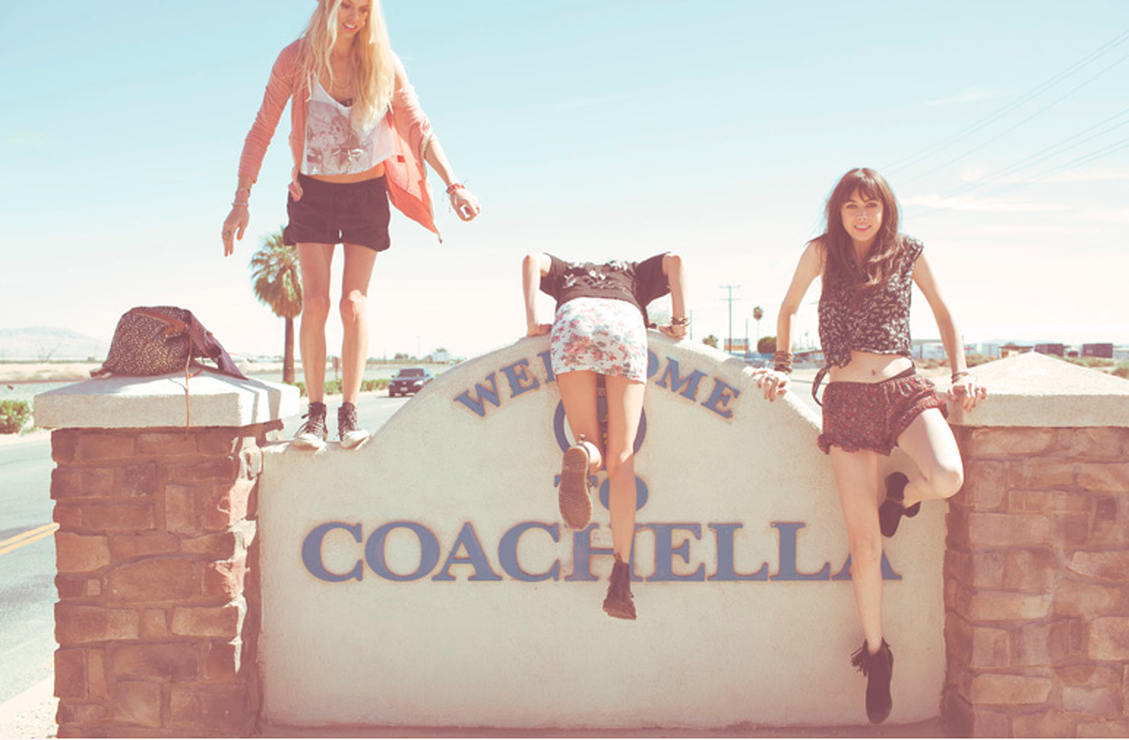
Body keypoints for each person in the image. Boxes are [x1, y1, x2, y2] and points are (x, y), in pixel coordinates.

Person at [754, 168, 986, 724]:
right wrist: (781, 366)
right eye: (851, 206)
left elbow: (944, 312)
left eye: (871, 206)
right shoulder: (821, 252)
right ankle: (877, 655)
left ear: (886, 210)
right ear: (838, 212)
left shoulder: (907, 251)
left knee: (948, 476)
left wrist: (960, 373)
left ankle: (903, 494)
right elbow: (787, 308)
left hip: (903, 387)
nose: (861, 215)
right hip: (848, 398)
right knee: (864, 545)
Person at [222, 0, 481, 450]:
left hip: (367, 195)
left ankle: (349, 414)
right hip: (312, 194)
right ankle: (315, 416)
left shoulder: (383, 62)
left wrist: (454, 185)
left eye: (363, 10)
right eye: (346, 5)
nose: (353, 18)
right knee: (317, 302)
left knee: (353, 303)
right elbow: (262, 127)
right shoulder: (296, 60)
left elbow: (418, 127)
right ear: (327, 6)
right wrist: (240, 201)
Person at [523, 252, 687, 619]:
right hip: (623, 326)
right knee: (622, 459)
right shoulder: (634, 274)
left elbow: (532, 258)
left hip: (574, 323)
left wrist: (533, 320)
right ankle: (621, 578)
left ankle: (585, 451)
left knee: (591, 443)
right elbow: (675, 259)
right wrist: (679, 323)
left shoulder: (568, 273)